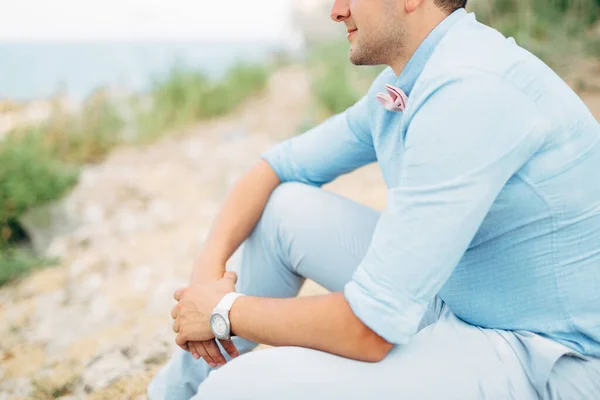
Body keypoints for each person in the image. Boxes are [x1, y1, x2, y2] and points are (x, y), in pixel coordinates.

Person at [148, 0, 600, 398]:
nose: (336, 10)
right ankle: (171, 395)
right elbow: (276, 166)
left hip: (547, 359)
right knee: (285, 209)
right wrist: (207, 276)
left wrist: (224, 312)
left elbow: (369, 330)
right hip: (465, 299)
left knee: (235, 390)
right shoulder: (415, 77)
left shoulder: (471, 90)